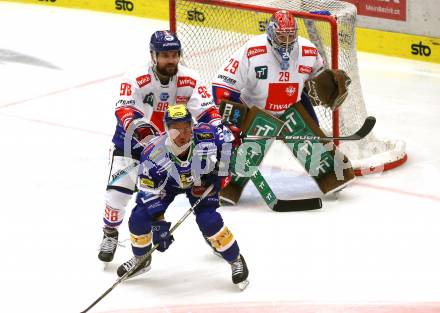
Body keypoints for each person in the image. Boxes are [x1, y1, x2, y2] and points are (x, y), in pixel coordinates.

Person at [98, 30, 225, 263]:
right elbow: (124, 109)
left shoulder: (191, 78)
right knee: (117, 194)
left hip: (175, 147)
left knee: (199, 192)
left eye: (174, 54)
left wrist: (218, 126)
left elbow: (206, 110)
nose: (171, 60)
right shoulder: (135, 78)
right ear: (153, 55)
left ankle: (213, 235)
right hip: (134, 145)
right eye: (165, 55)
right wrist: (140, 129)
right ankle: (110, 233)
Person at [211, 9, 353, 205]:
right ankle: (227, 185)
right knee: (249, 151)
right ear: (270, 32)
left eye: (290, 35)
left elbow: (316, 81)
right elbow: (222, 85)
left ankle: (331, 175)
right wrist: (237, 121)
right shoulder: (252, 50)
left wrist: (331, 85)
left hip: (290, 109)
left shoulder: (308, 51)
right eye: (281, 35)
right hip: (257, 114)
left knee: (307, 138)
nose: (287, 41)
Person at [116, 104, 249, 289]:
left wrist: (223, 171)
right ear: (166, 129)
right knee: (139, 218)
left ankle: (235, 259)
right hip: (167, 186)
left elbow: (227, 141)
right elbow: (148, 192)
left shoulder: (208, 135)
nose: (183, 134)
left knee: (209, 221)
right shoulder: (153, 152)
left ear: (192, 126)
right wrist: (158, 223)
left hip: (200, 181)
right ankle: (141, 259)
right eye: (175, 129)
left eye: (186, 128)